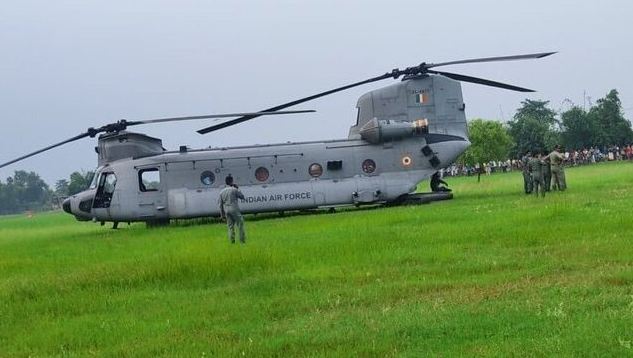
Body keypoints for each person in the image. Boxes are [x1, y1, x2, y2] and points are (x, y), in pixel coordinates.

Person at [218, 175, 246, 244]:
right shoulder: (234, 189)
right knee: (240, 225)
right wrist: (238, 188)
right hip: (234, 209)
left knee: (230, 227)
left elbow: (220, 205)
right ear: (232, 181)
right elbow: (242, 197)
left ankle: (232, 242)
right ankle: (242, 242)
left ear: (226, 182)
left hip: (226, 210)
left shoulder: (221, 192)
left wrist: (222, 215)